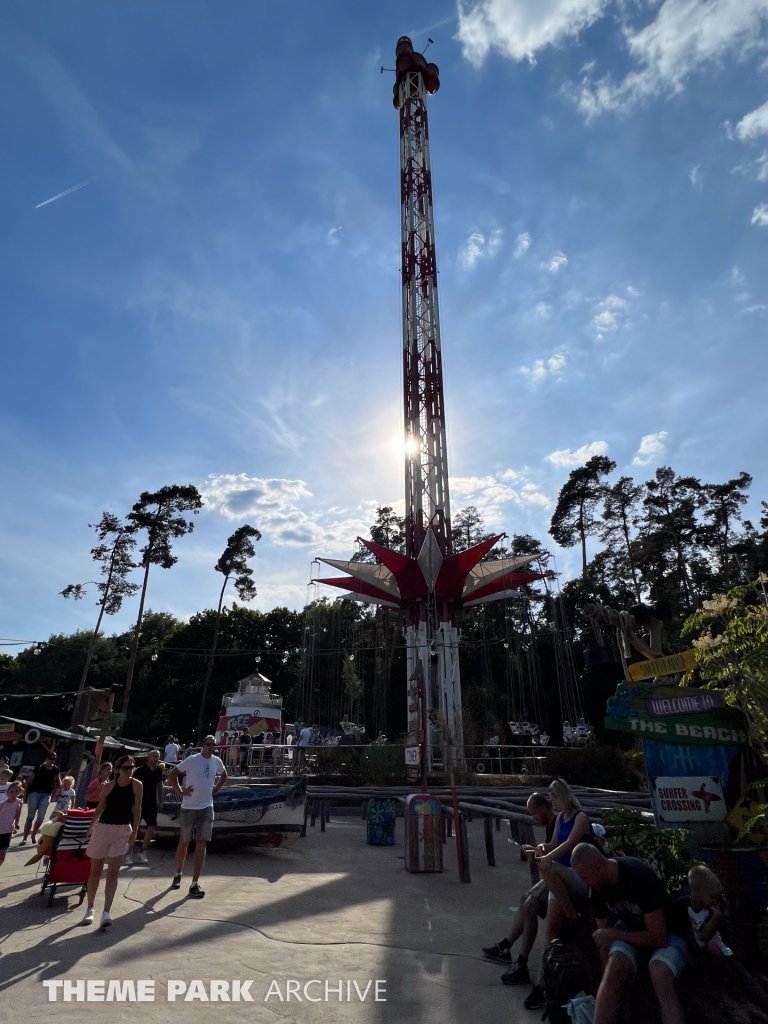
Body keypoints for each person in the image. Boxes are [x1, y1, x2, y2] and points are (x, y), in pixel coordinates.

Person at [571, 843, 687, 1024]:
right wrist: (606, 980)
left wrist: (615, 935)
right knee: (613, 969)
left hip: (668, 933)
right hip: (629, 928)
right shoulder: (596, 889)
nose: (584, 883)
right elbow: (604, 939)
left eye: (585, 878)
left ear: (598, 867)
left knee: (659, 973)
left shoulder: (638, 877)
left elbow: (659, 937)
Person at [521, 778, 595, 1011]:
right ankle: (543, 987)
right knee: (550, 930)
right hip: (559, 878)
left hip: (578, 876)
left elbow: (571, 844)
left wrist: (549, 858)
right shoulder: (561, 818)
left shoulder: (580, 817)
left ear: (561, 796)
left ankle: (573, 916)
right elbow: (553, 842)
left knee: (548, 867)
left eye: (552, 798)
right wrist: (541, 850)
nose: (551, 803)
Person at [480, 793, 557, 987]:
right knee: (525, 899)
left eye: (533, 812)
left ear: (542, 807)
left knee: (530, 904)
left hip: (560, 877)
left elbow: (556, 859)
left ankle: (522, 961)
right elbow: (550, 853)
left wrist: (537, 855)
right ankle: (505, 947)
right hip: (553, 874)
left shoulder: (560, 822)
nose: (533, 817)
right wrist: (537, 851)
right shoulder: (553, 824)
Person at [82, 754, 142, 928]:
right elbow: (100, 808)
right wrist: (91, 827)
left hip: (123, 829)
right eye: (126, 768)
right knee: (95, 871)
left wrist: (135, 831)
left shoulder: (137, 785)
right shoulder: (108, 786)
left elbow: (137, 809)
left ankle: (106, 912)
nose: (129, 771)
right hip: (104, 827)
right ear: (117, 770)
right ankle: (90, 908)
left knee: (113, 872)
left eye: (132, 767)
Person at [168, 735, 227, 898]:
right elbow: (172, 775)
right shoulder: (192, 760)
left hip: (207, 806)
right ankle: (178, 873)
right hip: (189, 807)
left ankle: (194, 883)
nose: (211, 747)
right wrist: (180, 791)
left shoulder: (216, 761)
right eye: (208, 744)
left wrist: (216, 788)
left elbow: (224, 775)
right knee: (184, 842)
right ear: (203, 745)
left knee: (202, 842)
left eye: (214, 745)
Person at [130, 750, 165, 864]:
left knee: (152, 826)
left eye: (158, 757)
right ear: (149, 757)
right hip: (139, 802)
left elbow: (160, 785)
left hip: (152, 802)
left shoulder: (158, 770)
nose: (156, 759)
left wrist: (161, 800)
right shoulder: (140, 771)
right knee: (134, 827)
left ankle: (143, 850)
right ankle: (128, 852)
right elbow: (132, 785)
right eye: (154, 756)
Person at [21, 753, 61, 845]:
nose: (52, 761)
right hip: (35, 793)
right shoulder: (39, 768)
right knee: (30, 817)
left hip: (46, 794)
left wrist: (58, 791)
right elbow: (29, 781)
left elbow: (58, 782)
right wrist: (25, 795)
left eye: (54, 759)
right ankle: (24, 838)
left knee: (41, 817)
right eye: (51, 758)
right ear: (46, 758)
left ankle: (33, 835)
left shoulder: (55, 769)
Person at [0, 781, 24, 871]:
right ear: (7, 792)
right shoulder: (2, 804)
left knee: (2, 855)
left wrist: (16, 824)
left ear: (19, 792)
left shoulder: (19, 803)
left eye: (16, 791)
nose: (13, 794)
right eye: (11, 791)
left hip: (8, 831)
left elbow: (18, 814)